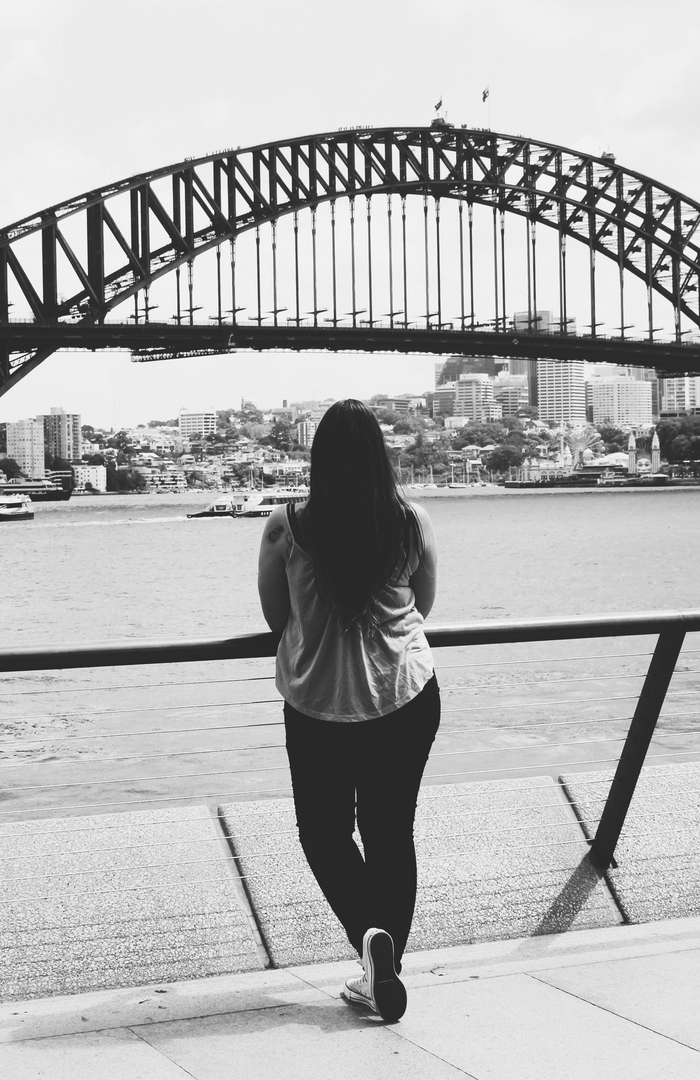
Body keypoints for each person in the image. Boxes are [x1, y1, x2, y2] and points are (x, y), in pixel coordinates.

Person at [257, 398, 439, 1023]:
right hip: (404, 696)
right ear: (380, 458)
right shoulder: (410, 521)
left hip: (318, 705)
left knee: (324, 833)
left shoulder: (286, 526)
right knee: (391, 832)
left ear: (319, 459)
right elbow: (426, 603)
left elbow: (275, 619)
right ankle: (381, 963)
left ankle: (370, 944)